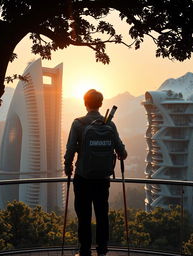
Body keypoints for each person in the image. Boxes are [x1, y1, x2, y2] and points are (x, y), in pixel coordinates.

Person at [64, 89, 127, 256]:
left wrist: (67, 166)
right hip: (102, 178)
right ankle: (102, 250)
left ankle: (85, 250)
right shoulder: (109, 125)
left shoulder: (78, 123)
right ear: (100, 104)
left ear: (85, 103)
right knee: (102, 214)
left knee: (84, 215)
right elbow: (122, 151)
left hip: (83, 177)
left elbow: (70, 148)